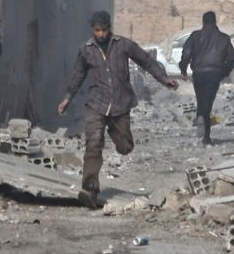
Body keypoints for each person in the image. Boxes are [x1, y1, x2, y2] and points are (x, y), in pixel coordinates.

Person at [58, 11, 178, 208]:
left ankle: (116, 131)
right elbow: (77, 75)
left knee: (125, 147)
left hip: (121, 104)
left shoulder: (123, 45)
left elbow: (146, 61)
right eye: (97, 30)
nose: (101, 34)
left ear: (109, 28)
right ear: (92, 30)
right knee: (93, 144)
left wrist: (164, 79)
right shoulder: (86, 50)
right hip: (96, 104)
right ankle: (90, 189)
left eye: (104, 30)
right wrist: (67, 98)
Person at [179, 11, 234, 145]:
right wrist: (223, 73)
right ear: (215, 21)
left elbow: (186, 53)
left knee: (201, 99)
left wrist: (183, 68)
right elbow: (232, 59)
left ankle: (201, 118)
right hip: (215, 74)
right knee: (208, 102)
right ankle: (206, 136)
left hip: (199, 73)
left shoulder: (195, 36)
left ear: (203, 22)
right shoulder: (224, 38)